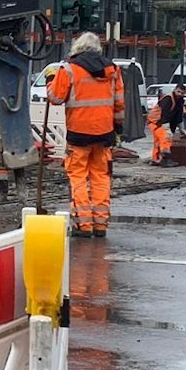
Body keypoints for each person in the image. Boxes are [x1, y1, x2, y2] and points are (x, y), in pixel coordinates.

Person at [47, 32, 125, 237]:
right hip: (105, 132)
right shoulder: (112, 69)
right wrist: (118, 127)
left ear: (77, 47)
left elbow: (55, 98)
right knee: (101, 177)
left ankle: (83, 225)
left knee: (78, 177)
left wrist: (50, 81)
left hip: (78, 133)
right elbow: (119, 102)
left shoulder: (68, 69)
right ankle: (100, 224)